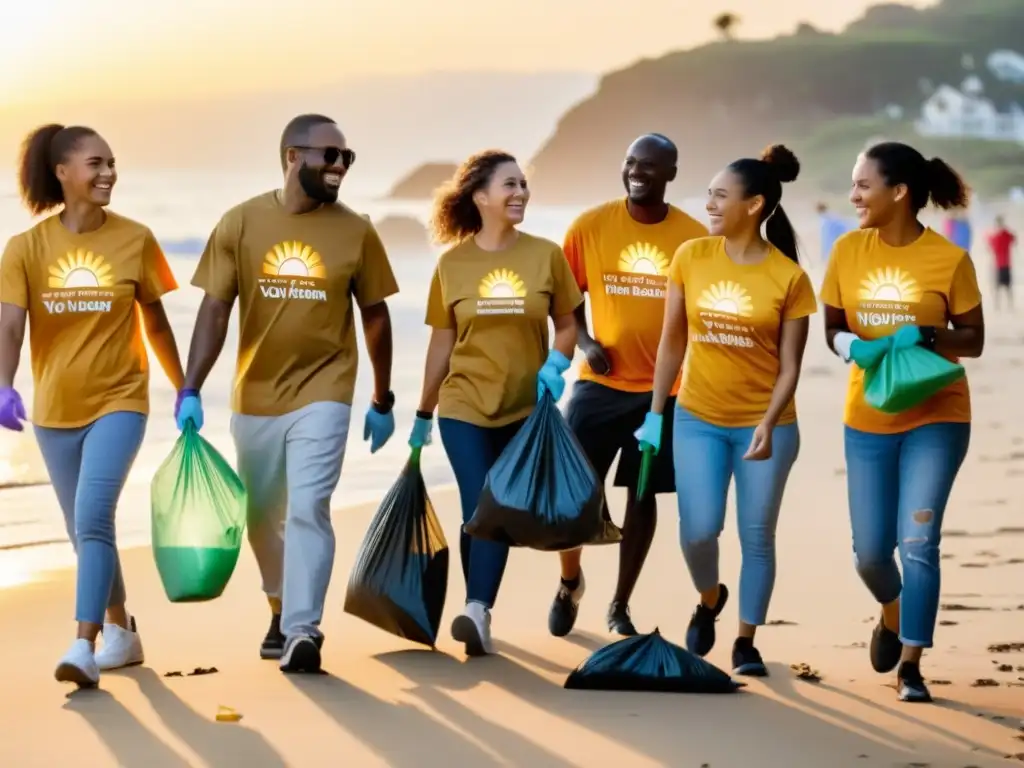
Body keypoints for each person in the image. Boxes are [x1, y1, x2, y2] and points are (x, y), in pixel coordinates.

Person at [178, 114, 399, 674]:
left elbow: (375, 317)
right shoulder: (242, 222)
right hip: (255, 394)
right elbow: (215, 308)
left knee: (308, 507)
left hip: (326, 388)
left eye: (348, 158)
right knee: (259, 513)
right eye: (330, 156)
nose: (340, 167)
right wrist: (190, 386)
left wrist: (382, 396)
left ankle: (303, 629)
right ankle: (278, 604)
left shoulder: (357, 231)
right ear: (292, 157)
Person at [0, 124, 186, 686]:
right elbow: (10, 323)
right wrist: (4, 385)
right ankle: (122, 632)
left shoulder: (136, 238)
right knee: (83, 531)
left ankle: (84, 646)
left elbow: (154, 319)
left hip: (120, 399)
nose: (108, 173)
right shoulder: (25, 248)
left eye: (112, 163)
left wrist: (185, 386)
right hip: (55, 410)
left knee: (93, 517)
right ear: (62, 172)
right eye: (95, 163)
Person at [638, 145, 817, 677]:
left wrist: (766, 422)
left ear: (755, 205)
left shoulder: (789, 278)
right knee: (697, 530)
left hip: (767, 428)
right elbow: (672, 343)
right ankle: (710, 596)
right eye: (710, 194)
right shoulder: (691, 256)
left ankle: (746, 641)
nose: (709, 204)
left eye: (720, 196)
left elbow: (790, 368)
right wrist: (654, 413)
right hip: (697, 418)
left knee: (756, 535)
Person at [820, 141, 984, 703]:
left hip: (938, 419)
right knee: (870, 553)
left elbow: (975, 340)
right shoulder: (846, 250)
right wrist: (852, 349)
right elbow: (831, 328)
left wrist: (929, 334)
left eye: (864, 185)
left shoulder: (948, 260)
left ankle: (911, 664)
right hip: (867, 418)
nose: (854, 194)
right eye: (853, 184)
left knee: (918, 541)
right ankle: (892, 612)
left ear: (899, 192)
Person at [408, 149, 582, 657]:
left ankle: (473, 606)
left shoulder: (545, 255)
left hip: (524, 410)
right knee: (483, 504)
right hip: (463, 405)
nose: (520, 193)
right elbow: (442, 342)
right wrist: (422, 412)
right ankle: (479, 611)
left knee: (488, 512)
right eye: (509, 185)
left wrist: (556, 365)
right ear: (480, 197)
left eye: (524, 185)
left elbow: (568, 323)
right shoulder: (452, 264)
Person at [547, 133, 708, 639]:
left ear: (671, 174)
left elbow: (702, 315)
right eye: (632, 163)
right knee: (576, 491)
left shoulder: (693, 237)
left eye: (651, 165)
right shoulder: (590, 226)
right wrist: (588, 342)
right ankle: (569, 582)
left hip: (664, 392)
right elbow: (566, 298)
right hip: (600, 385)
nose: (638, 172)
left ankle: (619, 604)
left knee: (642, 494)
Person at [987, 215, 1014, 311]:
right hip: (998, 264)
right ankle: (997, 306)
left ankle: (1009, 305)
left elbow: (1013, 238)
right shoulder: (996, 236)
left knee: (1008, 286)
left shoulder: (1005, 235)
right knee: (998, 287)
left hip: (1006, 264)